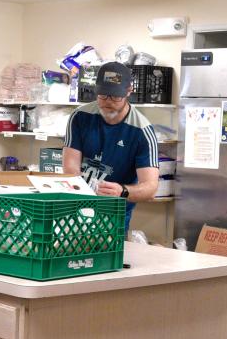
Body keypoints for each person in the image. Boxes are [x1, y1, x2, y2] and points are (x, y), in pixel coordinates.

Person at [61, 62, 160, 231]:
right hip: (78, 206)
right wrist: (87, 190)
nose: (108, 102)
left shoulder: (142, 131)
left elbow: (150, 187)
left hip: (114, 213)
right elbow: (70, 168)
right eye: (103, 95)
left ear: (129, 91)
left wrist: (123, 191)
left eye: (115, 97)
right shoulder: (79, 117)